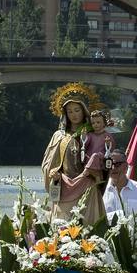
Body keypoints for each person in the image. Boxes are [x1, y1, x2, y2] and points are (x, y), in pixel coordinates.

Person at [40, 87, 107, 224]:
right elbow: (47, 163)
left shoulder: (93, 134)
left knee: (88, 228)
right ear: (65, 114)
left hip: (87, 185)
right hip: (64, 186)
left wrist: (96, 169)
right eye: (69, 111)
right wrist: (53, 172)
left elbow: (105, 158)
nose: (73, 115)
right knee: (62, 227)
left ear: (84, 111)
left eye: (77, 110)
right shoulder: (59, 136)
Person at [101, 150, 137, 228]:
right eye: (111, 164)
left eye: (117, 164)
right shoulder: (101, 191)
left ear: (126, 167)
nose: (113, 168)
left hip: (135, 239)